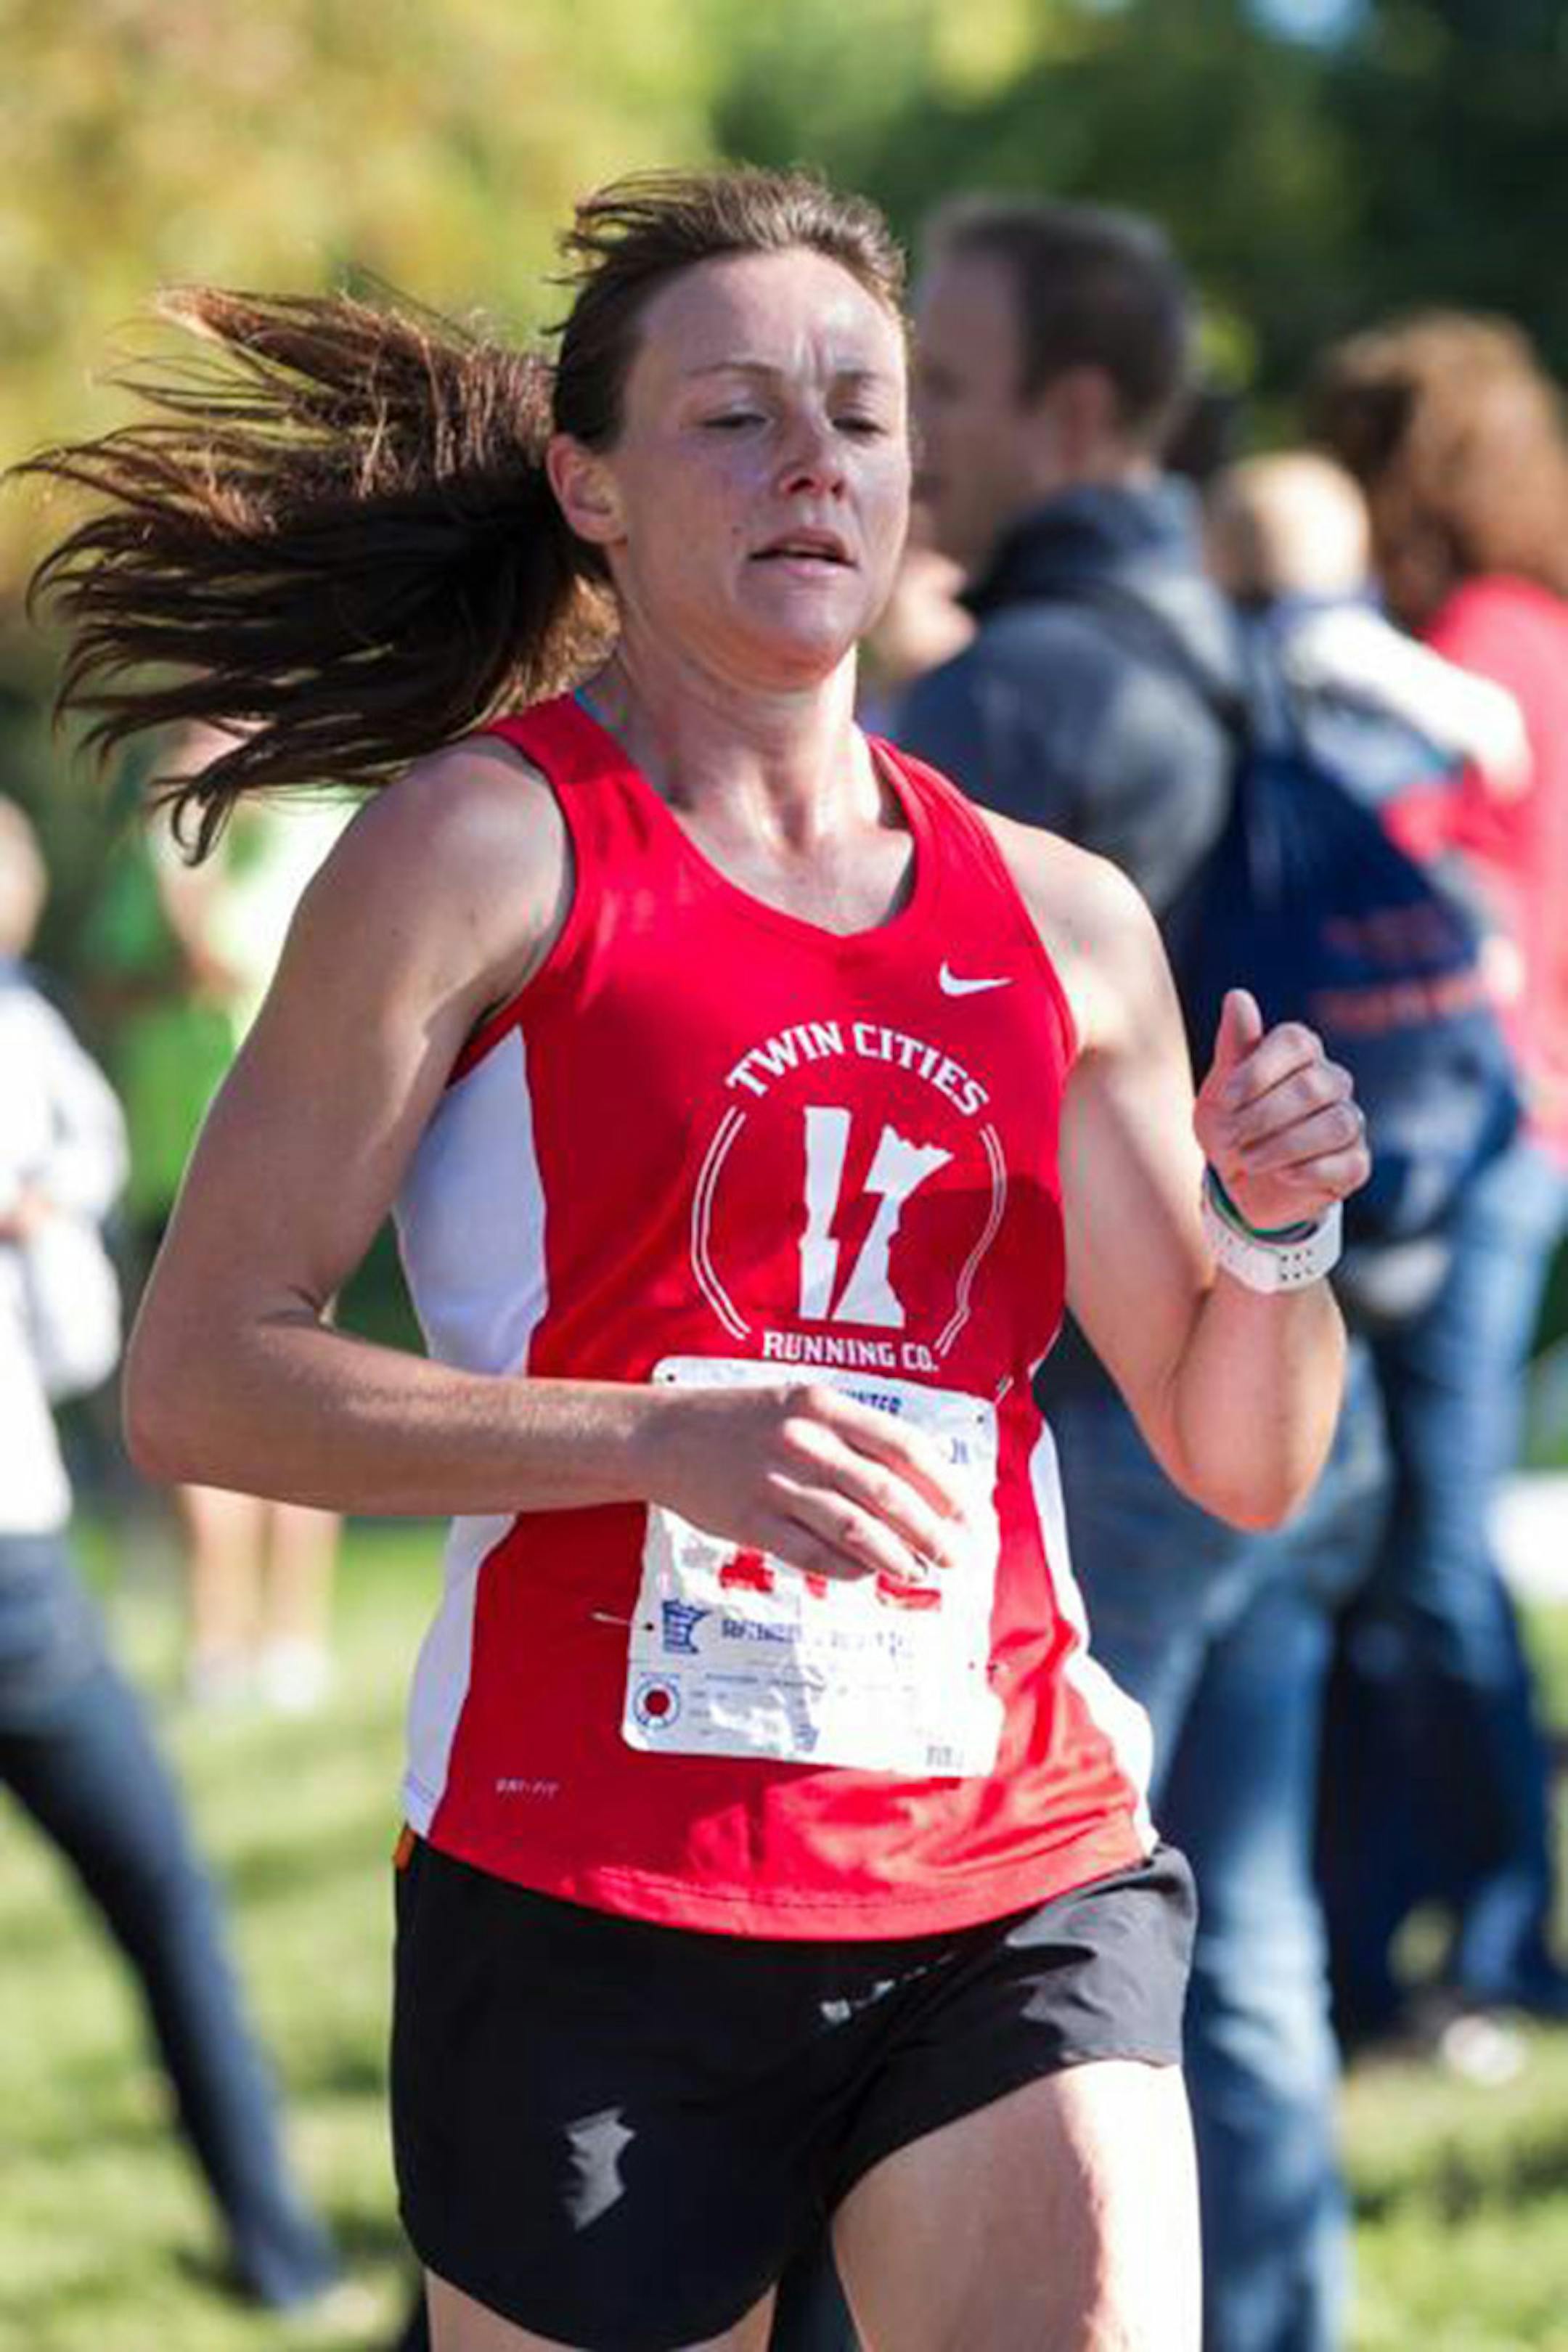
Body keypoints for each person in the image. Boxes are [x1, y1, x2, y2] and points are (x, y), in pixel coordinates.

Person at [23, 167, 1368, 2352]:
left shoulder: (1060, 913)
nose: (815, 457)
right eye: (733, 414)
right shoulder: (473, 848)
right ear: (593, 484)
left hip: (1012, 1849)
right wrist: (667, 1434)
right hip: (591, 1887)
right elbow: (205, 1380)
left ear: (921, 472)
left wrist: (1282, 1237)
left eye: (861, 408)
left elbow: (1242, 1456)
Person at [898, 196, 1388, 2352]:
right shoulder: (1238, 629)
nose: (902, 444)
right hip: (1284, 1375)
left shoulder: (1012, 699)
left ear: (1072, 409)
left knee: (1014, 1965)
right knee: (1253, 1937)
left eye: (939, 390)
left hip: (1123, 1423)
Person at [0, 793, 342, 2316]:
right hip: (11, 1564)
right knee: (164, 1898)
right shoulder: (20, 1035)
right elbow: (76, 1338)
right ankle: (277, 2255)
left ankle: (274, 2254)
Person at [1310, 314, 1568, 2041]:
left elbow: (1425, 886)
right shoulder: (1528, 631)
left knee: (1422, 1552)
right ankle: (1442, 1917)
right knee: (1415, 1541)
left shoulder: (1474, 654)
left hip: (1481, 1147)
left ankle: (1501, 1928)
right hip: (1510, 1145)